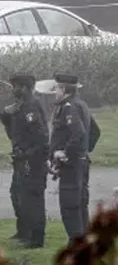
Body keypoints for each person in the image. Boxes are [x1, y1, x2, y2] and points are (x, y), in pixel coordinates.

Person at [0, 72, 49, 249]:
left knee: (33, 199)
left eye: (15, 87)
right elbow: (13, 130)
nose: (13, 90)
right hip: (21, 159)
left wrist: (27, 154)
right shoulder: (20, 106)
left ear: (25, 88)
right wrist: (4, 114)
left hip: (32, 161)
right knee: (18, 194)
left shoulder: (31, 107)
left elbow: (41, 138)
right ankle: (24, 231)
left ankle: (36, 238)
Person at [50, 72, 101, 242]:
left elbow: (78, 134)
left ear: (64, 89)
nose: (54, 92)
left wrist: (65, 153)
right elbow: (95, 131)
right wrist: (84, 152)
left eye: (57, 88)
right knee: (80, 205)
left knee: (70, 206)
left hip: (72, 166)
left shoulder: (69, 107)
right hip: (81, 163)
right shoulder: (81, 104)